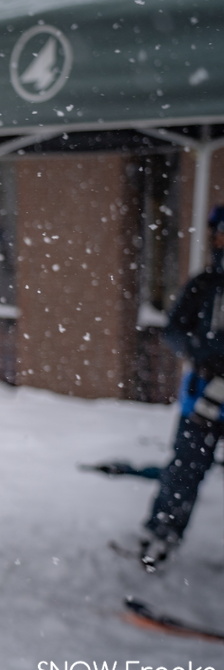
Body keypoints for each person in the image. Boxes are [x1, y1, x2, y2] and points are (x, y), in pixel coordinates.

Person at [112, 205, 224, 571]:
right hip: (205, 394)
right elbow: (175, 329)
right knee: (185, 469)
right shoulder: (204, 285)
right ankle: (160, 535)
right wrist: (201, 350)